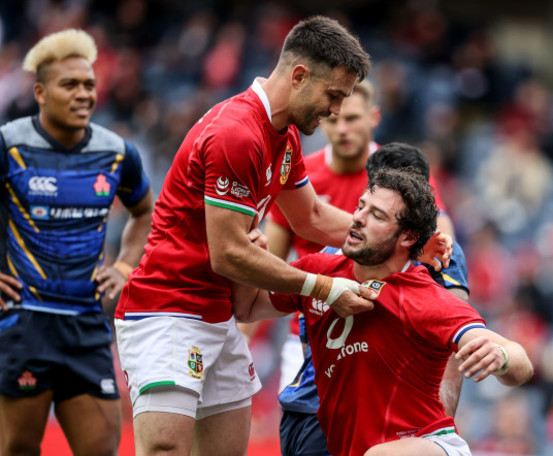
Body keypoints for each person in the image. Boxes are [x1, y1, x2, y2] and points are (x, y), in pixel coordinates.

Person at [114, 16, 451, 456]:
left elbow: (309, 216)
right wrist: (324, 287)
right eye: (333, 95)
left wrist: (401, 235)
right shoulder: (237, 133)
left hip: (219, 314)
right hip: (169, 309)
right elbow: (229, 254)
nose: (334, 111)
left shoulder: (284, 135)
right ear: (299, 75)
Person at [234, 163, 534, 456]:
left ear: (407, 237)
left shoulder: (423, 298)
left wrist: (503, 357)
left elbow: (522, 366)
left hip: (430, 445)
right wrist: (252, 253)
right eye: (361, 206)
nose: (358, 218)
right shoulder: (318, 271)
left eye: (376, 215)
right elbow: (247, 309)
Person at [0, 29, 154, 456]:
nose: (83, 94)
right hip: (23, 321)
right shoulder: (8, 145)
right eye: (69, 84)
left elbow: (145, 213)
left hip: (86, 325)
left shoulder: (118, 153)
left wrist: (124, 267)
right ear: (40, 92)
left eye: (88, 84)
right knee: (18, 449)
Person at [277, 143, 470, 456]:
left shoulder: (443, 254)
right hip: (314, 408)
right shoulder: (330, 257)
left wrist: (436, 430)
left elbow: (455, 342)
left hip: (382, 418)